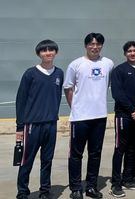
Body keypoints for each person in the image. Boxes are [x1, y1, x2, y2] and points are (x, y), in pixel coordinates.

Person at [64, 33, 113, 199]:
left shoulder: (108, 63)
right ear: (86, 46)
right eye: (92, 44)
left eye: (98, 44)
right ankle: (76, 188)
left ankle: (91, 186)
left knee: (95, 153)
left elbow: (106, 85)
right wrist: (76, 108)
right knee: (76, 154)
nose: (95, 47)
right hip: (80, 118)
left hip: (99, 116)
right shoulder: (76, 64)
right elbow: (68, 87)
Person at [15, 40, 64, 199]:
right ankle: (22, 191)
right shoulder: (30, 73)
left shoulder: (59, 73)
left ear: (56, 52)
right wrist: (20, 126)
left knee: (47, 160)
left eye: (51, 50)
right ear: (39, 54)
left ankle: (45, 191)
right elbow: (20, 100)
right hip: (32, 125)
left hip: (50, 124)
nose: (48, 53)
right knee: (26, 161)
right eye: (44, 50)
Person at [109, 41, 135, 197]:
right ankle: (116, 182)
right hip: (124, 115)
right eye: (129, 51)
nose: (132, 53)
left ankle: (127, 178)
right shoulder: (119, 70)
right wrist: (132, 109)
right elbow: (117, 93)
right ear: (125, 53)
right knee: (120, 148)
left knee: (133, 147)